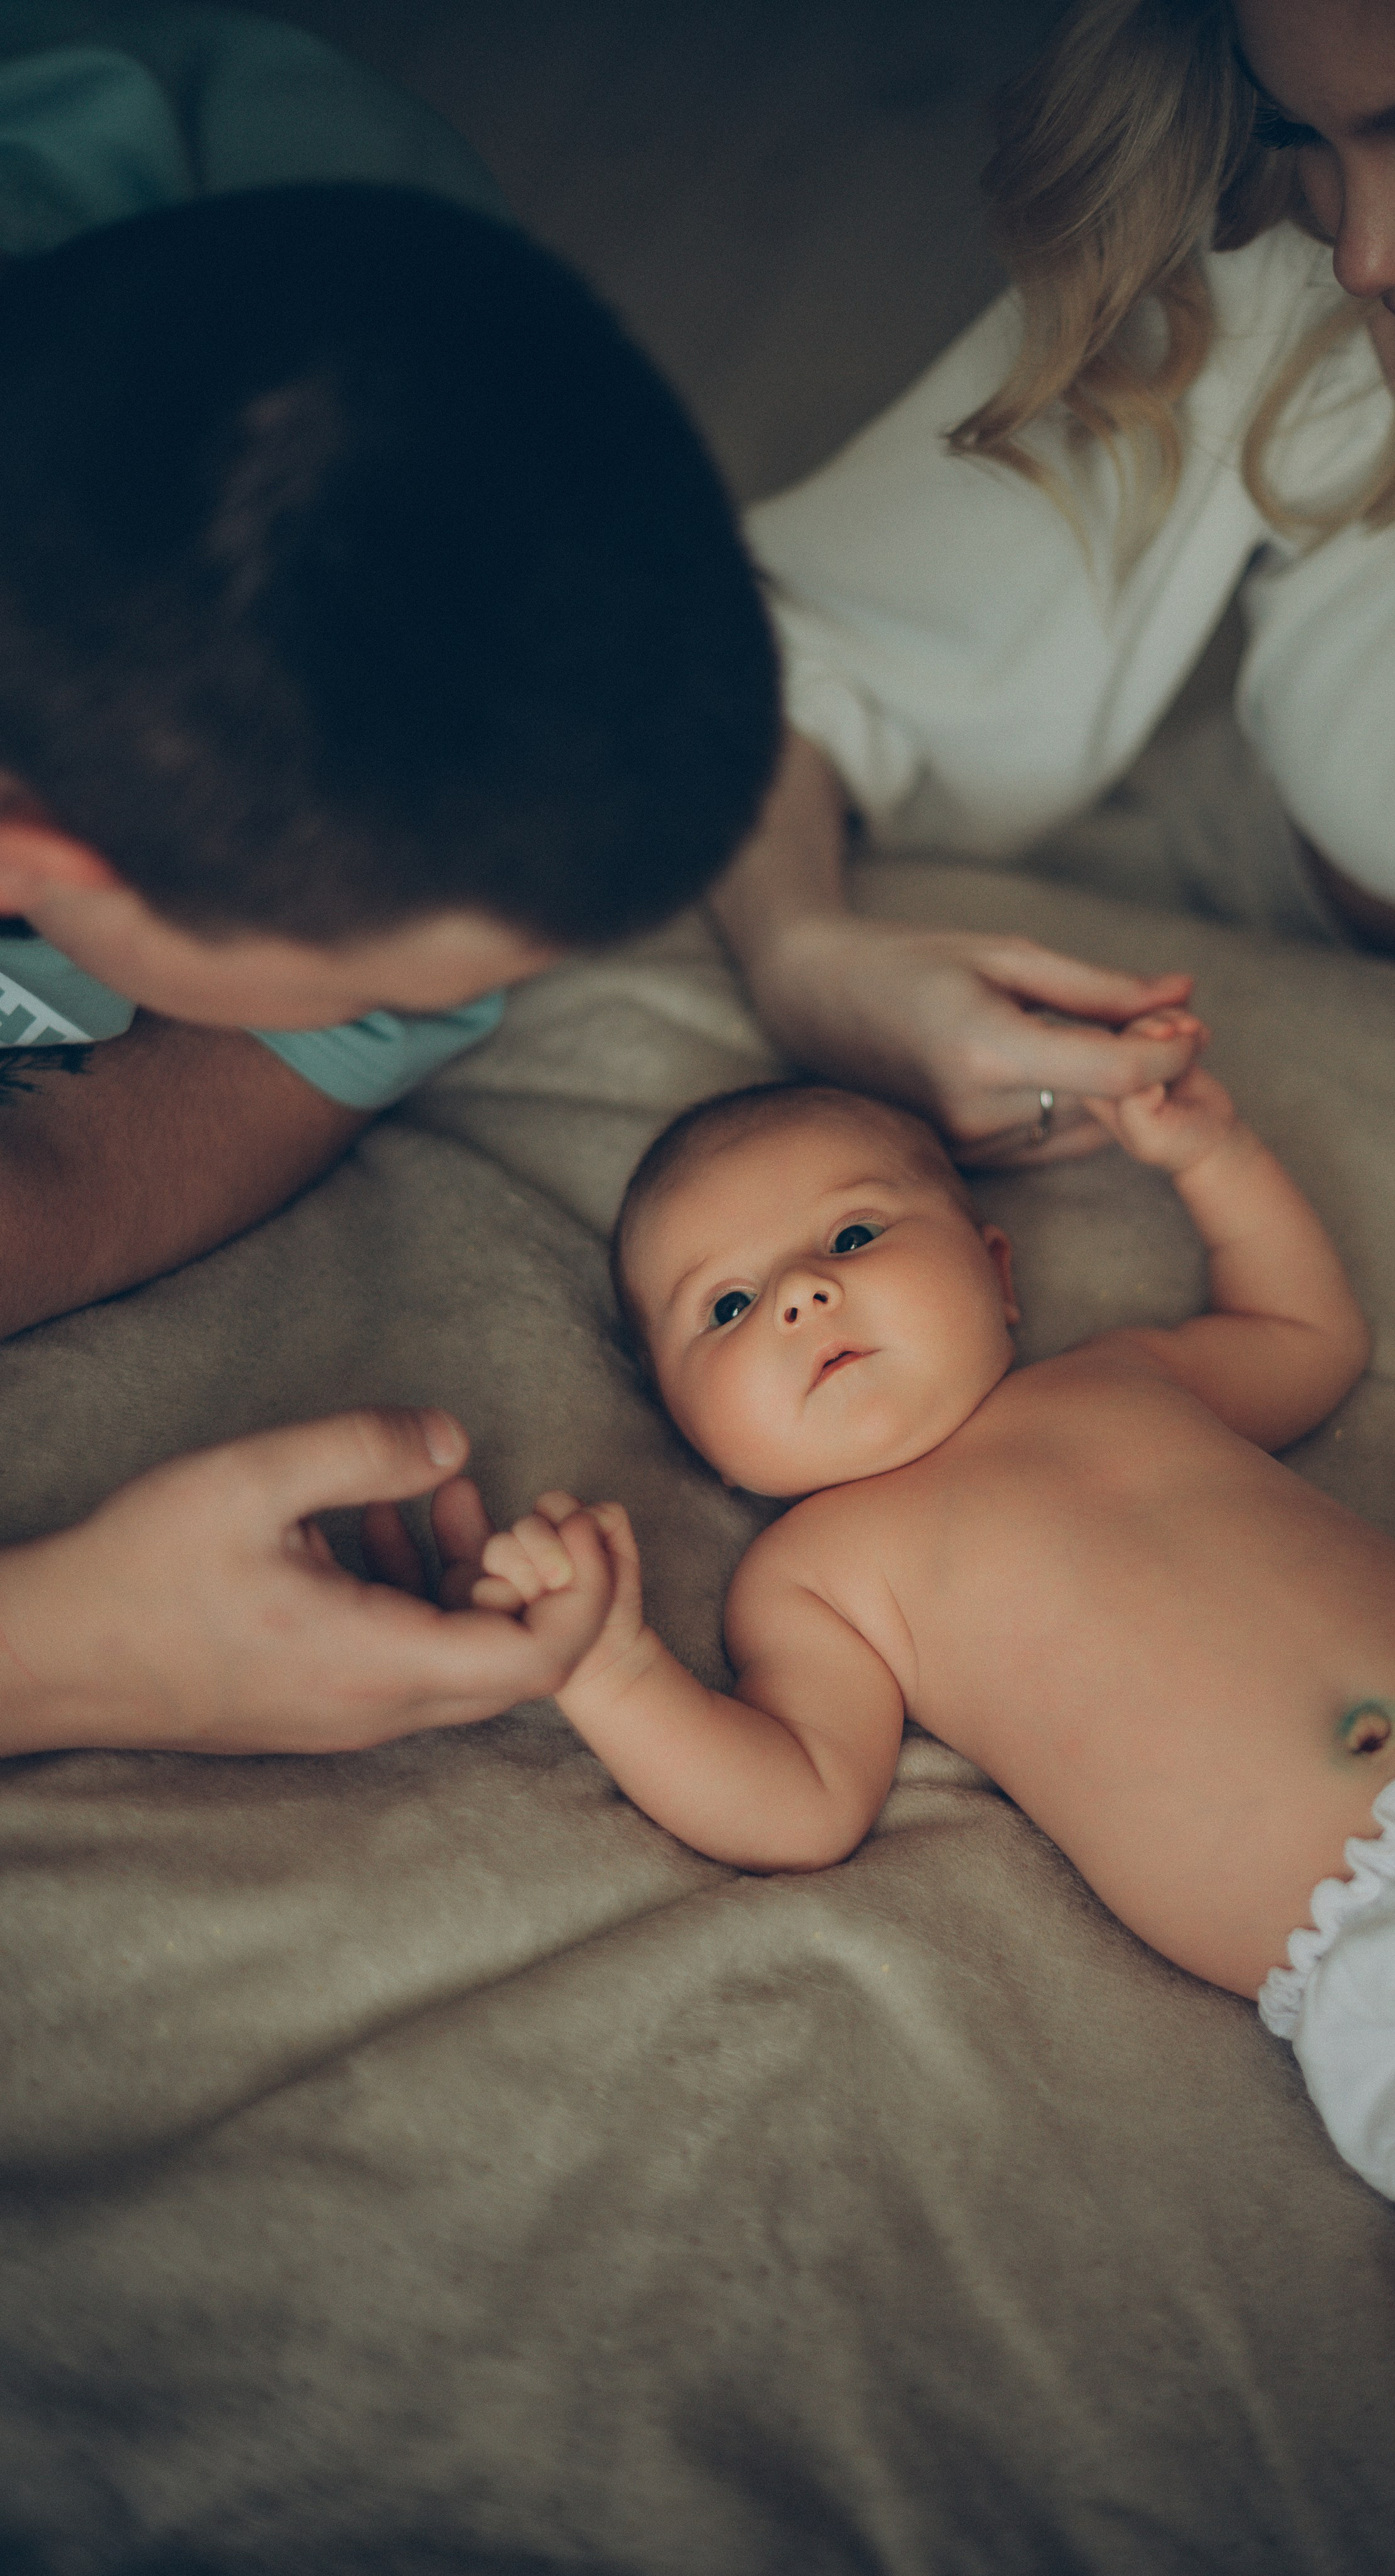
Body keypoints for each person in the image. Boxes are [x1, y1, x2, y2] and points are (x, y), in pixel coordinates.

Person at [447, 1057, 1395, 2461]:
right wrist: (608, 1668)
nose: (805, 1292)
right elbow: (797, 1801)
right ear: (694, 1432)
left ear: (994, 1272)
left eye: (853, 1236)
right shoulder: (815, 1574)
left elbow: (1302, 1331)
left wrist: (1211, 1155)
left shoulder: (1122, 1375)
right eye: (728, 1307)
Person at [0, 5, 779, 1752]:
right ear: (36, 868)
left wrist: (56, 1187)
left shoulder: (324, 213)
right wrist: (75, 1652)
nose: (445, 1021)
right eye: (386, 991)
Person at [708, 0, 1395, 1170]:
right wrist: (802, 957)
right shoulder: (1276, 295)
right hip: (1268, 954)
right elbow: (774, 652)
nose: (1367, 253)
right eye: (1297, 133)